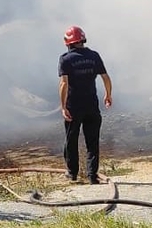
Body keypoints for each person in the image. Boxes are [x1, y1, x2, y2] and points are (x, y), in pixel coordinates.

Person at [58, 25, 112, 184]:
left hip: (74, 106)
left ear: (68, 43)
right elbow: (106, 77)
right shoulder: (94, 56)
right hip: (92, 105)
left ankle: (72, 174)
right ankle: (92, 176)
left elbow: (63, 84)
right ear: (83, 39)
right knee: (92, 141)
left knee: (71, 140)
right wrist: (108, 95)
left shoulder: (65, 59)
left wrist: (63, 107)